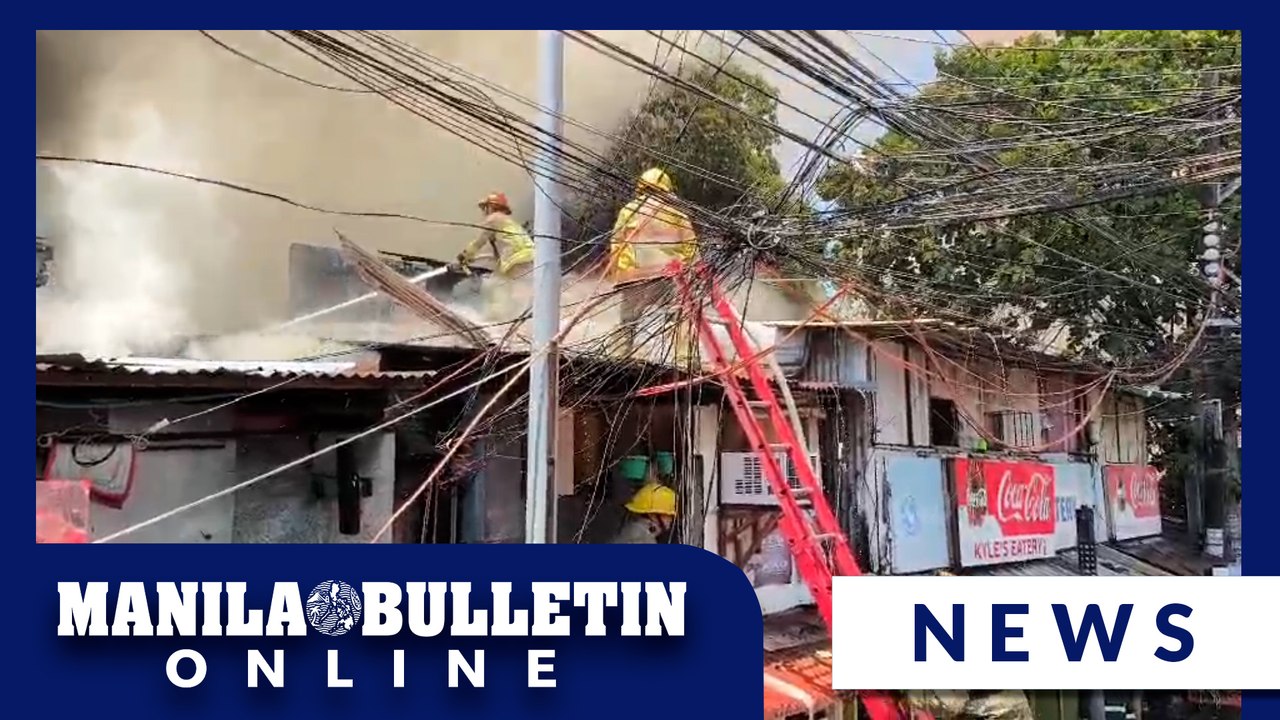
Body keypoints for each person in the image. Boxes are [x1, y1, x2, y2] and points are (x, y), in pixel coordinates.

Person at [607, 168, 698, 364]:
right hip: (670, 278)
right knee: (679, 319)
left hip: (634, 277)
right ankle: (684, 361)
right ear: (666, 188)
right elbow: (691, 247)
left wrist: (618, 276)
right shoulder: (677, 212)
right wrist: (692, 278)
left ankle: (616, 361)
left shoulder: (629, 210)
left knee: (627, 322)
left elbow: (617, 244)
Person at [456, 192, 534, 279]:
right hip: (531, 259)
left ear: (491, 207)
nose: (485, 211)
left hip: (516, 261)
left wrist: (464, 255)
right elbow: (498, 256)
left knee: (516, 288)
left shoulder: (494, 218)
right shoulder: (509, 223)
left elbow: (479, 241)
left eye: (486, 207)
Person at [613, 481, 677, 544]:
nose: (671, 518)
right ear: (652, 515)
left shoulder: (629, 529)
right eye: (668, 514)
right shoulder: (644, 540)